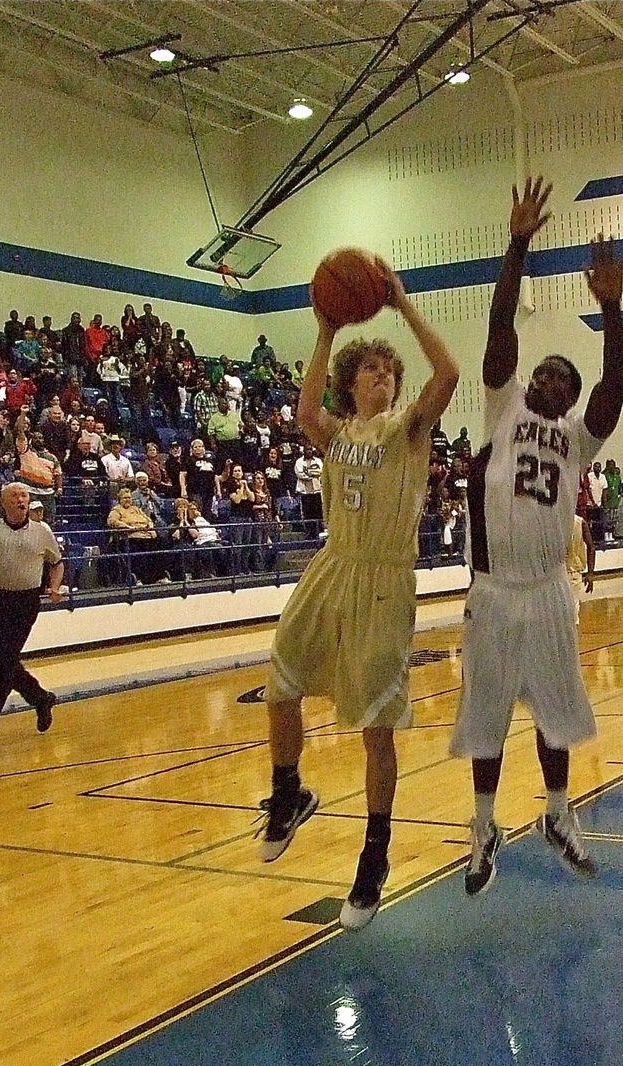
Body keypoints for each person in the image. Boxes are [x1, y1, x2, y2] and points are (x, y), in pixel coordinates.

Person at [257, 259, 459, 931]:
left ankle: (375, 854)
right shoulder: (338, 433)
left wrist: (403, 305)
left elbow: (449, 375)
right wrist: (324, 331)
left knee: (377, 728)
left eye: (389, 371)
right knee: (279, 683)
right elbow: (305, 410)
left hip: (382, 579)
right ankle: (288, 792)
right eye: (370, 370)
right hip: (331, 568)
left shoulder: (410, 431)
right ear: (354, 382)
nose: (382, 376)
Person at [449, 176, 623, 895]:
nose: (548, 378)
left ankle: (558, 814)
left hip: (550, 591)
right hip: (492, 591)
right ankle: (484, 825)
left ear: (570, 397)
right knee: (486, 716)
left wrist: (612, 311)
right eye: (544, 371)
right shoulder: (501, 404)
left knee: (555, 710)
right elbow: (500, 328)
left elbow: (615, 386)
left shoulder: (578, 437)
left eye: (561, 378)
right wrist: (517, 242)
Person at [0, 482, 65, 754]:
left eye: (25, 496)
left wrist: (54, 587)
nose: (21, 500)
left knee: (3, 667)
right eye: (15, 496)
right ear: (3, 502)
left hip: (26, 602)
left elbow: (57, 563)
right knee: (2, 663)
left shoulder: (42, 532)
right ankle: (41, 698)